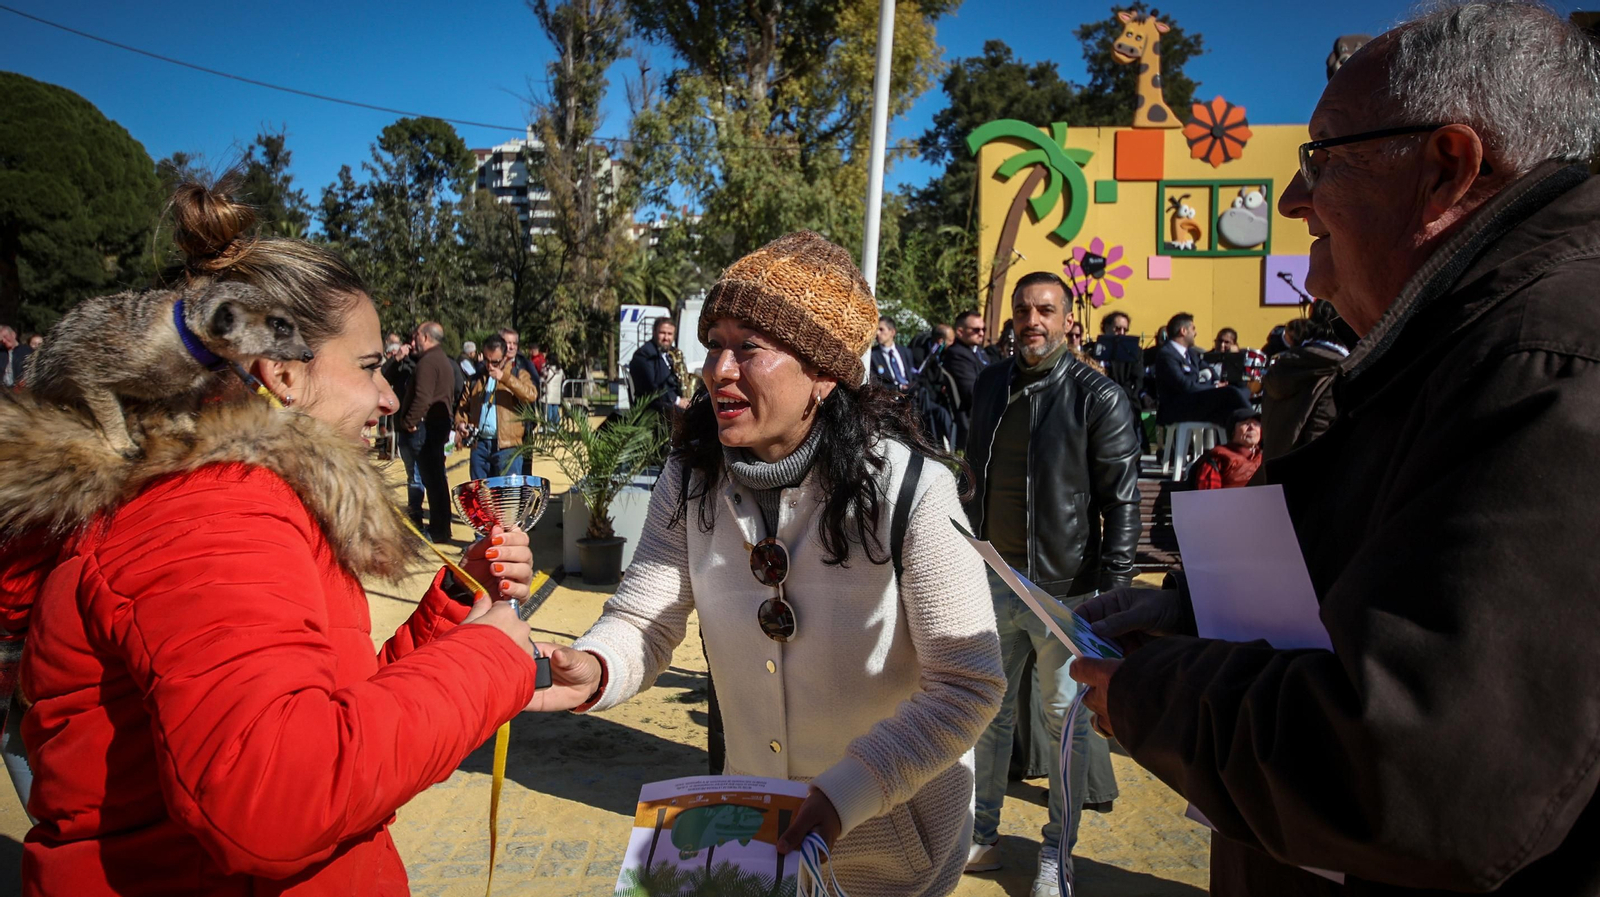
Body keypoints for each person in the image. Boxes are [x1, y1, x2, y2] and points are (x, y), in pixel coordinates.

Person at [1072, 6, 1600, 895]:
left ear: (1448, 169)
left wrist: (1151, 692)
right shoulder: (1464, 342)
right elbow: (1378, 588)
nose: (1290, 200)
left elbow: (1414, 768)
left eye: (1320, 157)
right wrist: (1192, 617)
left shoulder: (1549, 362)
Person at [0, 178, 546, 896]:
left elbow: (324, 712)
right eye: (370, 367)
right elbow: (274, 793)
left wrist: (454, 611)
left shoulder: (239, 498)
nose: (388, 397)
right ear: (281, 373)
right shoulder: (205, 509)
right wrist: (489, 662)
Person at [534, 231, 1005, 897]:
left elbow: (969, 683)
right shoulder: (689, 475)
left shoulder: (913, 488)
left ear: (825, 370)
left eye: (748, 347)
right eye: (714, 343)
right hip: (750, 844)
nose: (718, 369)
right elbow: (646, 615)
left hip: (896, 854)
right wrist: (598, 664)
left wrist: (843, 796)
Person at [962, 272, 1140, 897]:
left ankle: (1056, 854)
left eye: (1045, 310)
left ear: (1069, 319)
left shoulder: (1098, 398)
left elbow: (1121, 506)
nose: (1032, 320)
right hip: (992, 577)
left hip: (1066, 593)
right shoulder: (989, 385)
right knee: (987, 714)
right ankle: (980, 835)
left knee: (1067, 723)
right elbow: (972, 476)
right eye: (1022, 310)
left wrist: (1110, 601)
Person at [1260, 302, 1349, 459]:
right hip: (1311, 477)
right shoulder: (1335, 370)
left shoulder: (1283, 366)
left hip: (1274, 473)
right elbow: (1319, 439)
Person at [397, 321, 455, 542]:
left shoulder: (428, 363)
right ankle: (441, 528)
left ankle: (439, 530)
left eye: (416, 336)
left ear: (426, 338)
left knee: (433, 480)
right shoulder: (441, 360)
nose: (413, 341)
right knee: (436, 480)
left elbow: (422, 396)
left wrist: (409, 421)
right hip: (436, 425)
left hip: (427, 427)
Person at [456, 333, 539, 480]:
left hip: (508, 446)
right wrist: (461, 423)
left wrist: (505, 378)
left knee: (507, 498)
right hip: (479, 445)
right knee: (481, 496)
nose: (489, 366)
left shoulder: (518, 374)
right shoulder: (475, 379)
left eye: (495, 362)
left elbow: (531, 395)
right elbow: (463, 406)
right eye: (487, 360)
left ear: (505, 357)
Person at [1151, 313, 1251, 428]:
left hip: (1194, 403)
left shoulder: (1191, 353)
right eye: (1193, 329)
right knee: (1230, 393)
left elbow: (1209, 369)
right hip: (1177, 408)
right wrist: (1215, 388)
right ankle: (1256, 425)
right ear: (1183, 331)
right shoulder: (1167, 354)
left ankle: (1245, 432)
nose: (1195, 333)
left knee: (1242, 391)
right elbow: (1185, 385)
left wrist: (1216, 383)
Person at [944, 310, 992, 450]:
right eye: (976, 330)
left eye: (984, 329)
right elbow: (972, 391)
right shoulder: (957, 354)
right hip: (972, 419)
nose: (982, 333)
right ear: (960, 332)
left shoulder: (979, 351)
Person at [628, 317, 689, 417]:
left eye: (670, 334)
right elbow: (654, 388)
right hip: (654, 410)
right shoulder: (644, 354)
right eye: (662, 333)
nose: (666, 338)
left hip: (667, 405)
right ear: (654, 332)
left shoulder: (671, 353)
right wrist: (677, 401)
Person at [1191, 407, 1263, 489]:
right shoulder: (1218, 457)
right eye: (1246, 423)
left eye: (1256, 424)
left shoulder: (1265, 458)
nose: (1252, 428)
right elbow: (1208, 497)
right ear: (1232, 431)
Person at [870, 316, 913, 393]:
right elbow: (875, 383)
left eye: (881, 329)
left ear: (892, 332)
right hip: (891, 398)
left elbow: (913, 375)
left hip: (911, 397)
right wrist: (898, 388)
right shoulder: (873, 355)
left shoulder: (906, 352)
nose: (877, 333)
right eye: (876, 330)